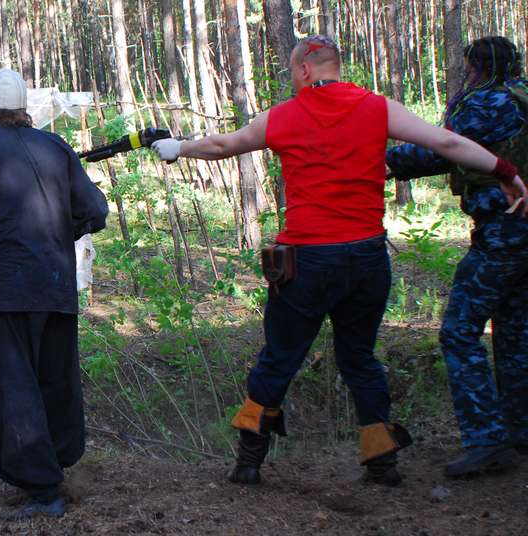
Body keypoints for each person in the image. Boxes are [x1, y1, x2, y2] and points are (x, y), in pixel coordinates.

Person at [152, 35, 527, 486]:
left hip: (306, 262)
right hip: (366, 259)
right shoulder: (378, 108)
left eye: (293, 73)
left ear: (304, 69)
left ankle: (249, 463)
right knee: (360, 358)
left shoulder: (283, 116)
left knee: (279, 358)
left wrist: (179, 147)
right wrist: (506, 172)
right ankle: (382, 463)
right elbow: (447, 141)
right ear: (336, 66)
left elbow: (221, 146)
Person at [0, 68, 108, 520]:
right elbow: (95, 209)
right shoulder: (56, 145)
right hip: (58, 287)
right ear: (24, 110)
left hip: (9, 288)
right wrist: (59, 233)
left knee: (11, 386)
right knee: (55, 379)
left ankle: (43, 490)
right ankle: (57, 466)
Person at [387, 36, 528, 477]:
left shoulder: (486, 101)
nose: (466, 74)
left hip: (503, 232)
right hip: (516, 231)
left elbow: (443, 149)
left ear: (478, 66)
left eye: (469, 67)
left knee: (459, 332)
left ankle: (487, 438)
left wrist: (382, 159)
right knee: (515, 333)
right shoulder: (522, 96)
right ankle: (519, 430)